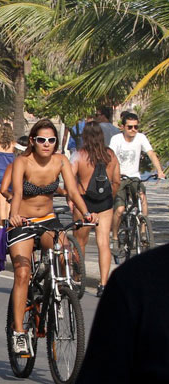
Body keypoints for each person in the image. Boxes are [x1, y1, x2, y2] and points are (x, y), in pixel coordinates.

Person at [7, 119, 98, 355]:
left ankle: (58, 292)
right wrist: (14, 216)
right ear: (32, 141)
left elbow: (74, 191)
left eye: (51, 140)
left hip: (47, 221)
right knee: (23, 274)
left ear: (56, 142)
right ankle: (18, 332)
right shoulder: (22, 162)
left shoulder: (61, 161)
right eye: (41, 140)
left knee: (63, 250)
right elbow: (16, 193)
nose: (46, 144)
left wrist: (87, 214)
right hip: (23, 222)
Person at [70, 243, 169, 384]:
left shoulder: (136, 280)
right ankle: (19, 330)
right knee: (23, 274)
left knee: (99, 238)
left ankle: (98, 280)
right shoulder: (138, 282)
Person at [70, 122, 120, 297]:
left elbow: (70, 181)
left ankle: (78, 277)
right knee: (103, 243)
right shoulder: (110, 155)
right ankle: (103, 283)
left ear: (85, 136)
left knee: (79, 243)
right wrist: (109, 197)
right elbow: (116, 181)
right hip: (104, 203)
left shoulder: (79, 155)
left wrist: (72, 199)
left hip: (84, 202)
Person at [109, 112, 165, 254]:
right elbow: (110, 159)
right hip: (119, 177)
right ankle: (115, 237)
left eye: (136, 127)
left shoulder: (141, 138)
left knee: (142, 198)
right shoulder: (116, 140)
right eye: (130, 127)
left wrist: (160, 171)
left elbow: (151, 153)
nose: (134, 130)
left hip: (134, 177)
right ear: (123, 127)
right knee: (120, 210)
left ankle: (143, 230)